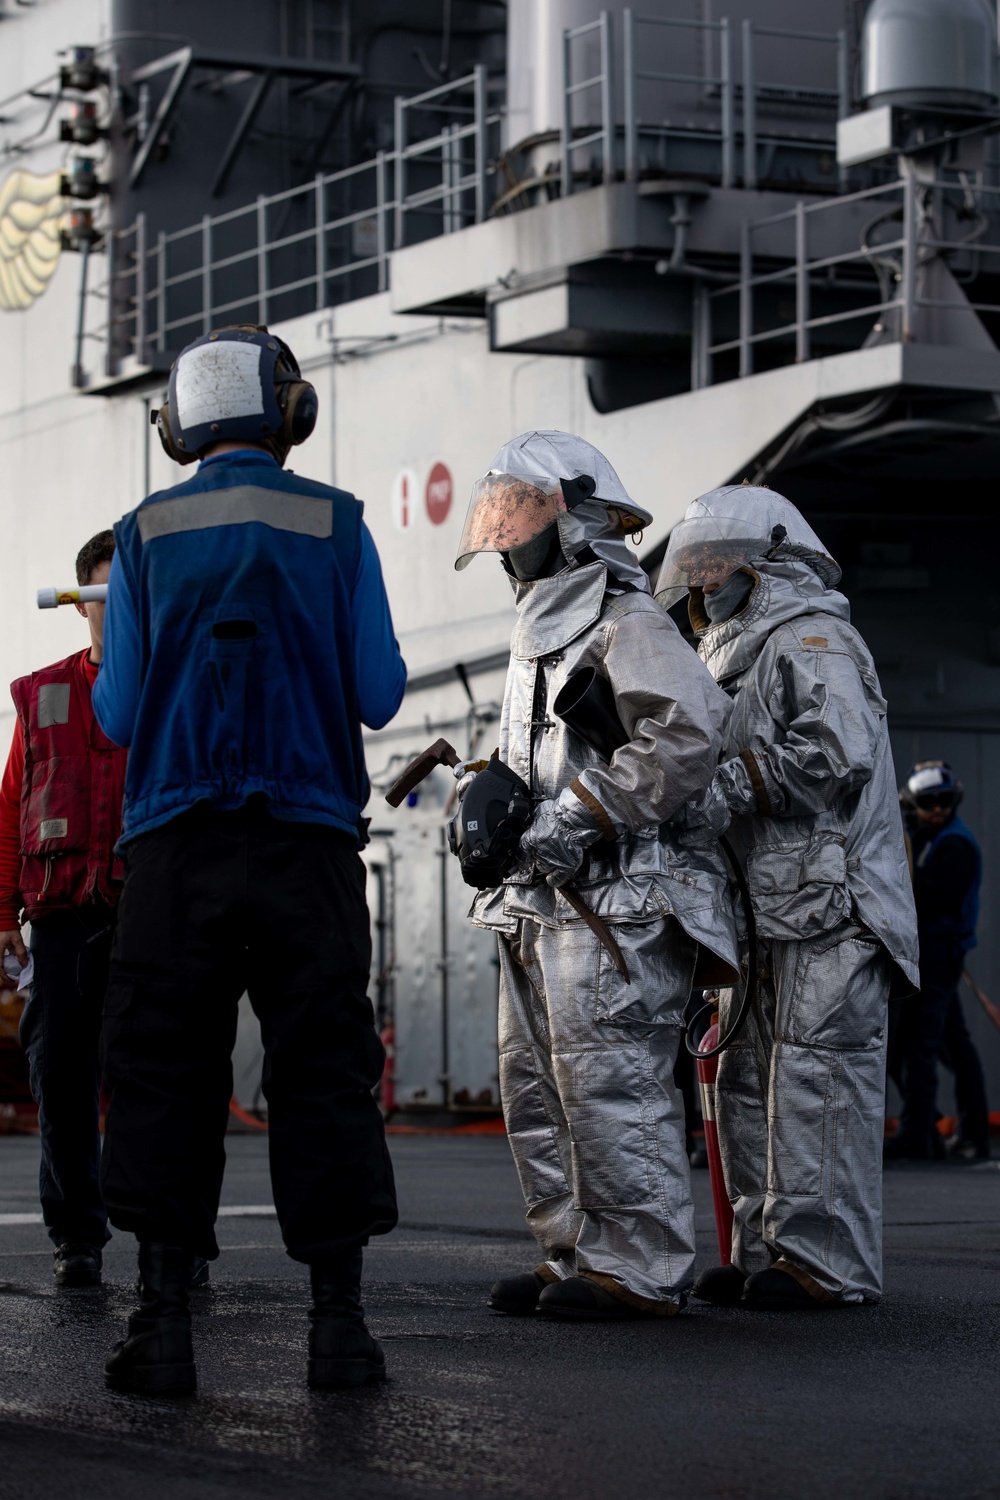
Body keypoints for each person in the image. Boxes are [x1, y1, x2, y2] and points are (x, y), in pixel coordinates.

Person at [92, 324, 405, 1395]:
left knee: (163, 1076)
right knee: (324, 1075)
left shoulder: (142, 532)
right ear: (289, 415)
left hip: (175, 849)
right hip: (308, 844)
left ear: (179, 425)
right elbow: (377, 694)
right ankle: (339, 1330)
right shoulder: (337, 522)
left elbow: (120, 712)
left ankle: (163, 1325)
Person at [457, 431, 739, 1321]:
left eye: (520, 514)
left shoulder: (628, 619)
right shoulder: (535, 633)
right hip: (544, 900)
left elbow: (687, 737)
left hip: (620, 896)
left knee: (608, 1074)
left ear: (571, 518)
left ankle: (641, 1264)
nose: (505, 535)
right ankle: (573, 1251)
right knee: (536, 1083)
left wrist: (578, 817)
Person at [656, 485, 918, 1310]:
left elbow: (838, 750)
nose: (701, 585)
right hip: (766, 906)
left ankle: (825, 1262)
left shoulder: (815, 637)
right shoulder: (727, 656)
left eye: (714, 567)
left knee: (817, 1077)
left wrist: (729, 785)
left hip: (831, 906)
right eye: (692, 571)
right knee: (744, 1078)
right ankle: (765, 1245)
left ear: (765, 564)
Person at [0, 532, 125, 1287]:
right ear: (79, 601)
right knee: (62, 1081)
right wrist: (1, 916)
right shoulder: (43, 694)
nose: (115, 611)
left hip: (150, 917)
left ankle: (177, 1242)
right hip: (61, 922)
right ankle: (77, 1238)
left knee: (157, 1083)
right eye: (103, 595)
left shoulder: (168, 686)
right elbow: (13, 804)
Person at [887, 761, 988, 1162]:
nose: (938, 809)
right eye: (929, 803)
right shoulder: (929, 836)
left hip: (937, 957)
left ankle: (920, 1135)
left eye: (944, 801)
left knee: (920, 1047)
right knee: (948, 1047)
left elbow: (933, 899)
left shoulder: (953, 844)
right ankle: (950, 1128)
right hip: (930, 955)